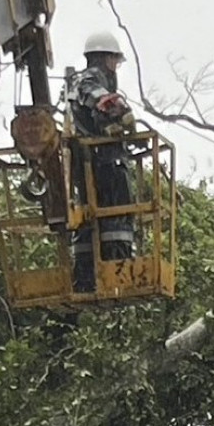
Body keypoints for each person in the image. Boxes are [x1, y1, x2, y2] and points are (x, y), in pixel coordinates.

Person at [70, 32, 136, 293]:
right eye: (115, 61)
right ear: (105, 58)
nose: (115, 67)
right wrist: (123, 113)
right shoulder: (89, 79)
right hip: (104, 163)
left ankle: (87, 278)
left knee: (91, 219)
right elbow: (104, 101)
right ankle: (118, 272)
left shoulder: (79, 83)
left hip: (91, 164)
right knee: (117, 215)